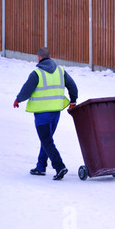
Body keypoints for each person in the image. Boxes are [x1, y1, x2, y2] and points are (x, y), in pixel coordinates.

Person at [14, 47, 78, 180]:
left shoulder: (36, 73)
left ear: (38, 58)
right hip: (55, 113)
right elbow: (73, 86)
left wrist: (18, 99)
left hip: (42, 115)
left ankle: (59, 166)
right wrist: (73, 100)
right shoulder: (60, 71)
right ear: (50, 56)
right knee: (47, 140)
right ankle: (41, 166)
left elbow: (26, 90)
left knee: (47, 141)